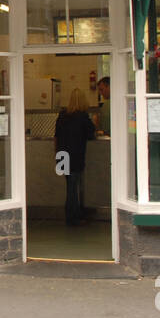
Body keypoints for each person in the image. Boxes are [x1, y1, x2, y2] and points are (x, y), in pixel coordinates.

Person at [55, 87, 96, 226]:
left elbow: (56, 136)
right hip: (75, 155)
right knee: (73, 186)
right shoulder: (83, 117)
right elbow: (91, 134)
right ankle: (72, 217)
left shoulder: (62, 116)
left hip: (62, 155)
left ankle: (72, 214)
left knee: (69, 185)